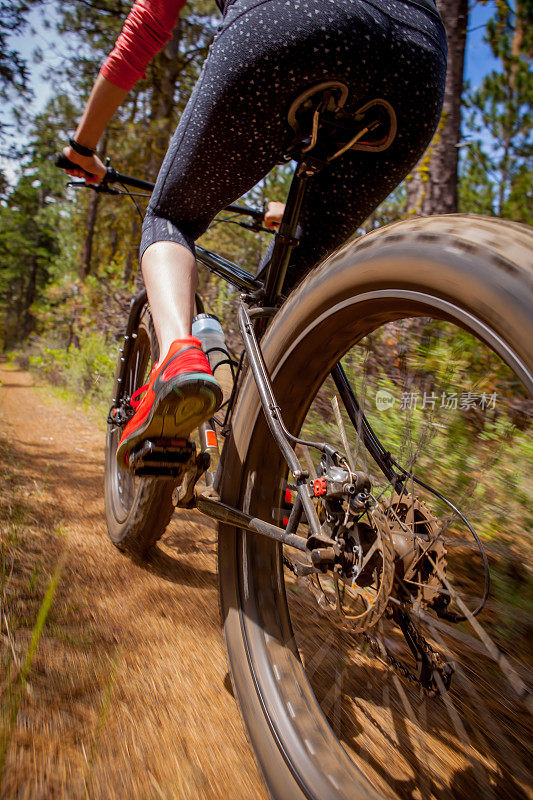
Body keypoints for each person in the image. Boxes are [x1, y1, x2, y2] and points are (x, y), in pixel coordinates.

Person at [61, 0, 447, 469]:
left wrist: (83, 147)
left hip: (295, 21)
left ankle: (178, 360)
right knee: (293, 279)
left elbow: (144, 31)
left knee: (170, 218)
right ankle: (265, 465)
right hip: (418, 56)